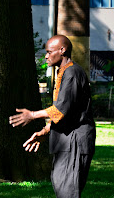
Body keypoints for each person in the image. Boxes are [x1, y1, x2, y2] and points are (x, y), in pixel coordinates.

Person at [9, 35, 96, 198]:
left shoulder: (72, 73)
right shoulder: (64, 73)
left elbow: (62, 109)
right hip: (66, 141)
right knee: (60, 185)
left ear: (62, 50)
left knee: (67, 192)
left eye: (49, 52)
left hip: (75, 142)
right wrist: (46, 130)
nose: (46, 56)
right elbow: (69, 111)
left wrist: (33, 115)